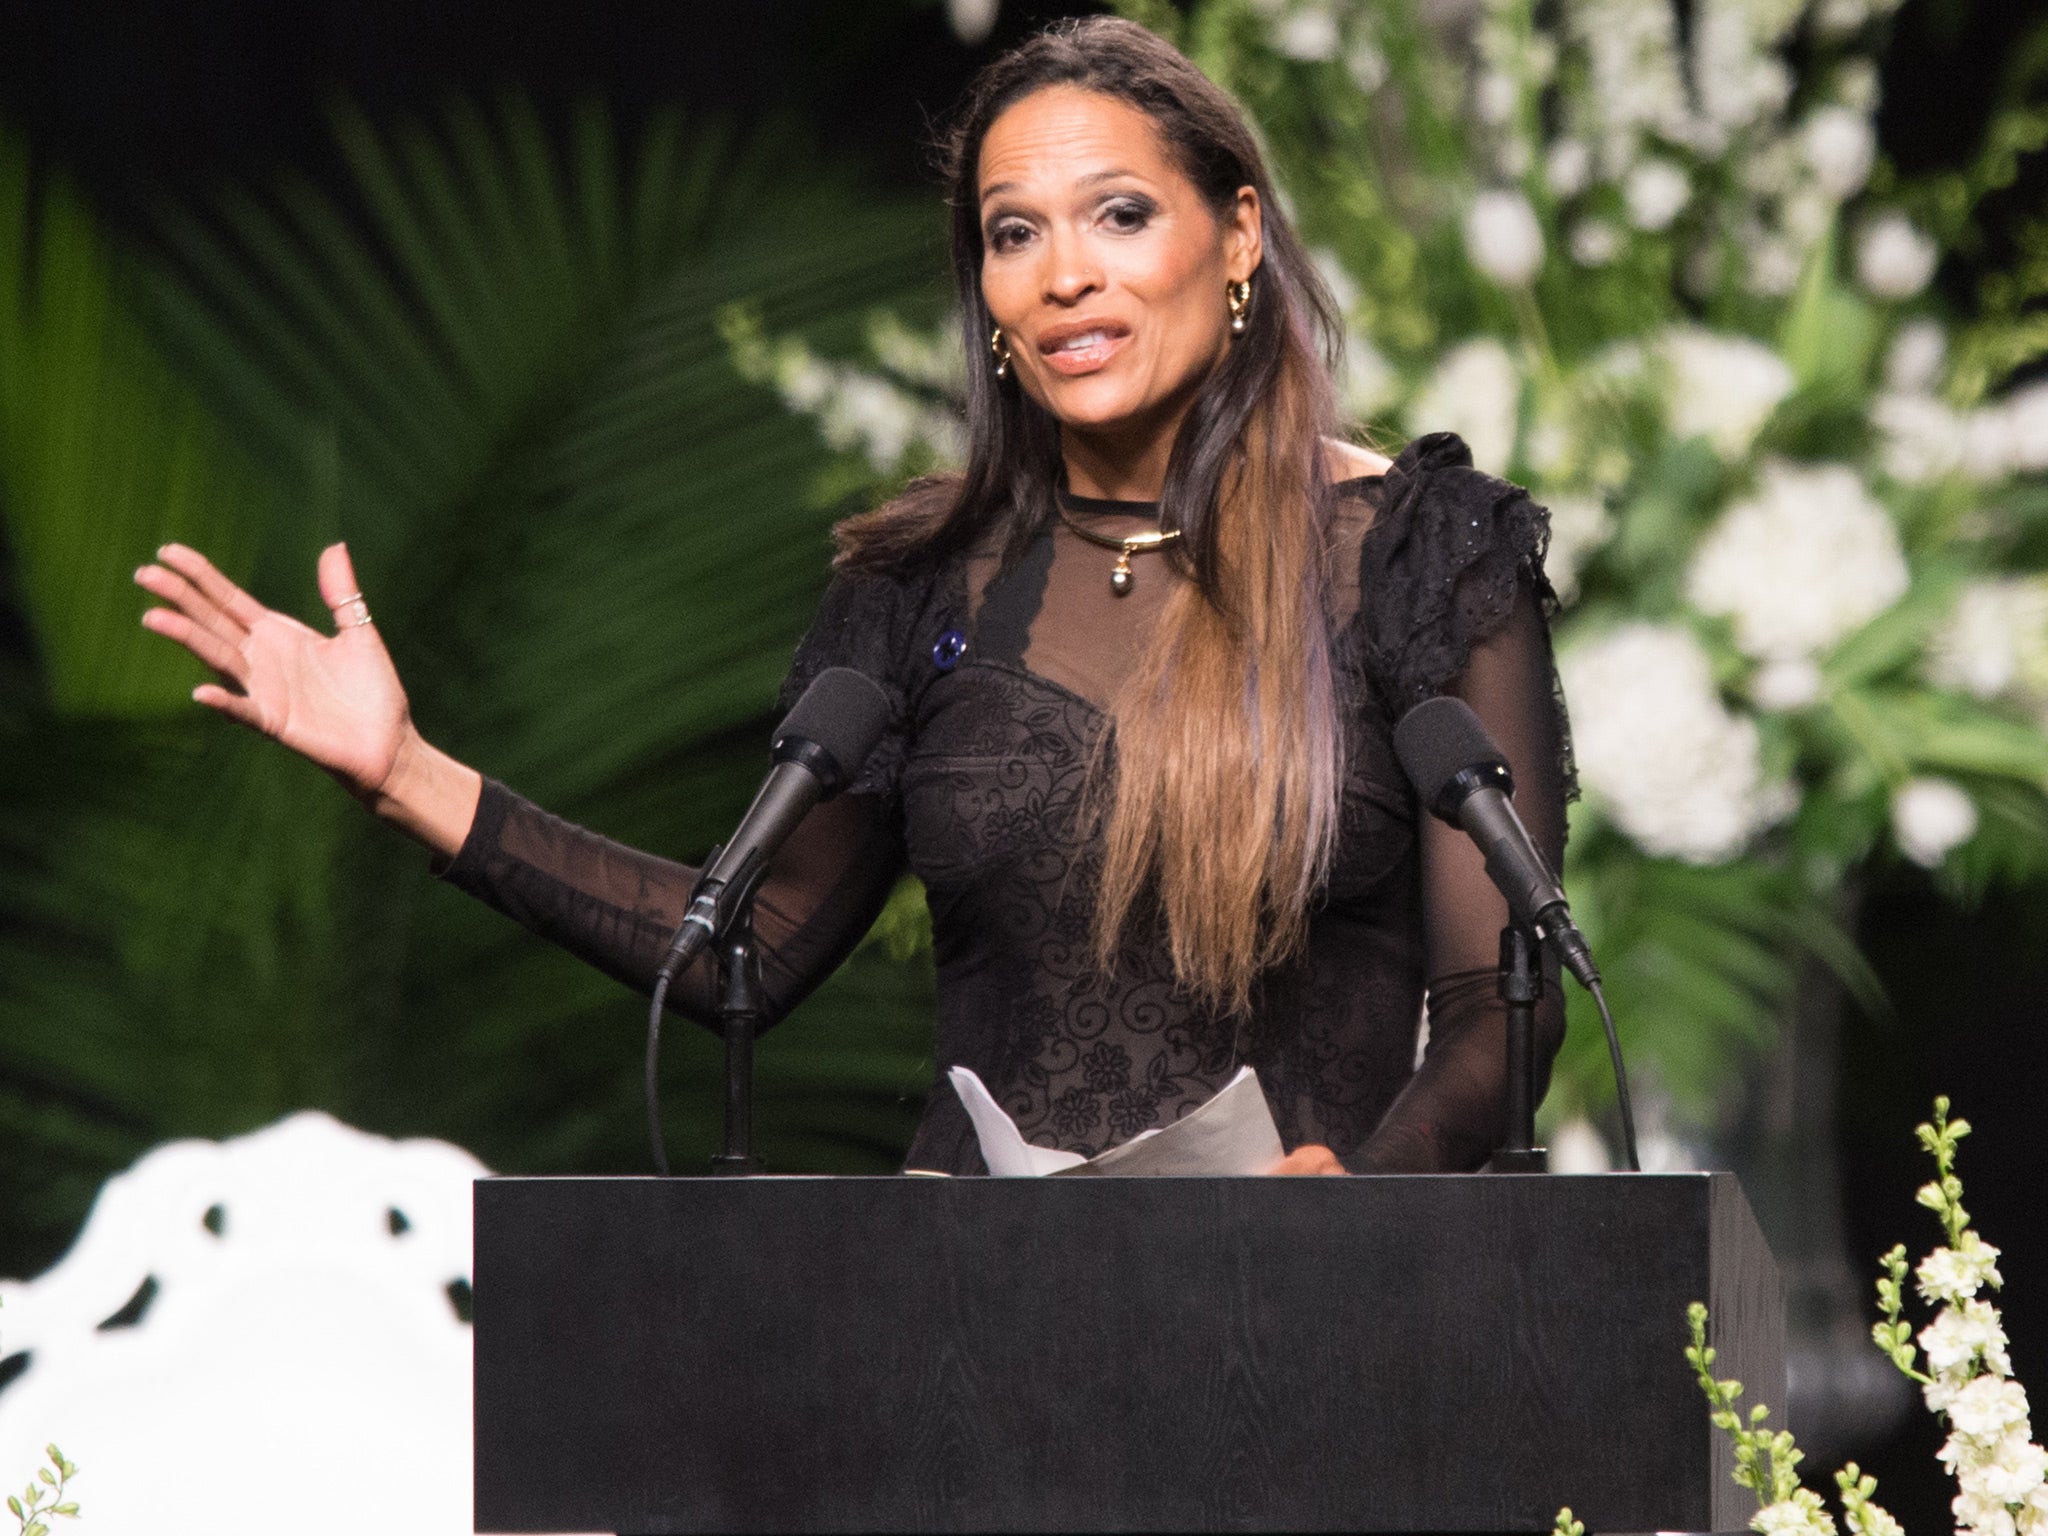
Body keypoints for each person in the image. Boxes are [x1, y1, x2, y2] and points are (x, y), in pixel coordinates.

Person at [135, 16, 1569, 1177]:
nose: (1066, 274)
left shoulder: (1418, 555)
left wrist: (1360, 1208)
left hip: (1313, 1339)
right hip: (960, 1339)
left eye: (1120, 215)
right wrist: (407, 773)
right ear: (987, 297)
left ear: (1238, 234)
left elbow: (1497, 1005)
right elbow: (744, 947)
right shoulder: (923, 589)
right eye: (1015, 235)